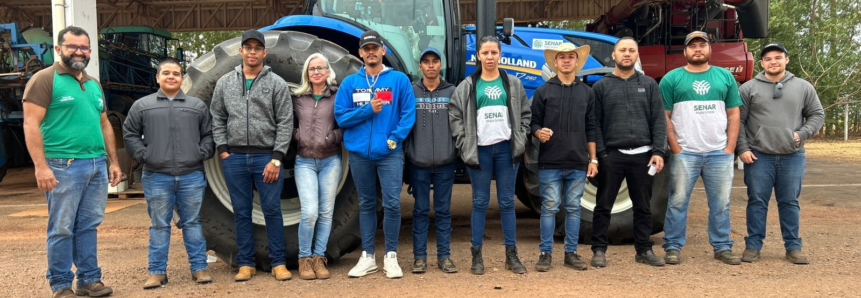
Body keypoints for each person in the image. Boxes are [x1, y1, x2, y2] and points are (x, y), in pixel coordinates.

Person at [22, 26, 121, 298]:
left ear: (90, 51)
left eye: (84, 47)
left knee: (88, 225)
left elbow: (104, 124)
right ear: (58, 49)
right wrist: (40, 166)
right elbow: (31, 124)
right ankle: (61, 285)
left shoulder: (92, 83)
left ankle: (89, 280)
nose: (79, 52)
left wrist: (113, 162)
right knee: (62, 227)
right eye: (72, 47)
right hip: (61, 165)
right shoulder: (44, 80)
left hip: (95, 165)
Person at [123, 58, 216, 289]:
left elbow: (209, 134)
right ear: (158, 77)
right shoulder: (142, 106)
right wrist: (145, 156)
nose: (171, 77)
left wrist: (201, 152)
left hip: (191, 174)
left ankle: (199, 268)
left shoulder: (196, 106)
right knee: (159, 225)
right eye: (166, 73)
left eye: (176, 73)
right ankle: (156, 272)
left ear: (182, 78)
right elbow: (130, 134)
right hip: (156, 176)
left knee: (193, 222)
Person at [210, 29, 293, 281]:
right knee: (241, 211)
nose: (253, 52)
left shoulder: (276, 83)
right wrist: (223, 150)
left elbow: (285, 122)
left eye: (258, 48)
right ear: (241, 51)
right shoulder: (225, 82)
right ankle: (246, 263)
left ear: (264, 52)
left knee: (271, 210)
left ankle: (278, 262)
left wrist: (277, 157)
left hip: (265, 158)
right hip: (234, 159)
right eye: (248, 47)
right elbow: (217, 117)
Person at [335, 30, 415, 279]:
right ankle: (367, 256)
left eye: (375, 48)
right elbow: (341, 117)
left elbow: (408, 113)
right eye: (366, 48)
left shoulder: (399, 80)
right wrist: (368, 110)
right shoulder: (350, 83)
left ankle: (391, 256)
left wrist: (395, 138)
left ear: (383, 51)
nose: (370, 52)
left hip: (389, 153)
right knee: (366, 204)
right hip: (360, 154)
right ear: (360, 53)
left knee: (391, 204)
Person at [450, 36, 532, 275]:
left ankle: (511, 255)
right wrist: (464, 142)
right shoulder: (468, 85)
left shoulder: (513, 83)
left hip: (506, 150)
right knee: (479, 202)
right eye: (485, 53)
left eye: (493, 53)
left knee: (507, 202)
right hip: (481, 151)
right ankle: (477, 256)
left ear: (499, 55)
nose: (489, 57)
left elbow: (525, 114)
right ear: (478, 56)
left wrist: (521, 136)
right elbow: (455, 115)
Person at [737, 42, 824, 264]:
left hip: (792, 155)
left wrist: (802, 134)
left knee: (789, 202)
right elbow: (738, 121)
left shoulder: (803, 87)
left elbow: (816, 115)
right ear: (762, 63)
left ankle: (793, 247)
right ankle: (753, 246)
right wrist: (743, 149)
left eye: (778, 57)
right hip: (758, 156)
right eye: (768, 59)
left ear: (786, 59)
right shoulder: (748, 88)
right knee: (756, 201)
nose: (773, 61)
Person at [660, 31, 743, 265]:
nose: (698, 49)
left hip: (719, 153)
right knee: (677, 201)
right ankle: (673, 246)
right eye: (692, 46)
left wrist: (730, 147)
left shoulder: (725, 77)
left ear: (710, 50)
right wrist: (675, 147)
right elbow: (664, 115)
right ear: (685, 51)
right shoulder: (671, 79)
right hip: (685, 152)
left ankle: (722, 247)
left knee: (720, 203)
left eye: (702, 45)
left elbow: (734, 113)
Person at [589, 37, 667, 267]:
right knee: (603, 204)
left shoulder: (650, 84)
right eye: (622, 50)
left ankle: (643, 250)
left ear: (637, 55)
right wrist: (602, 155)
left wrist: (658, 151)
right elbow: (594, 123)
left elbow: (658, 121)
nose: (626, 54)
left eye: (631, 50)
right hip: (612, 156)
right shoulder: (601, 86)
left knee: (643, 206)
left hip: (643, 157)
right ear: (613, 55)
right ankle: (599, 250)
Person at [530, 43, 598, 272]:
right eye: (562, 57)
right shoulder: (543, 91)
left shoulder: (588, 93)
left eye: (571, 57)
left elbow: (592, 127)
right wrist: (539, 133)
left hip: (578, 161)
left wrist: (594, 159)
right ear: (555, 62)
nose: (567, 60)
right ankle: (545, 253)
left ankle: (571, 253)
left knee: (574, 208)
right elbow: (534, 122)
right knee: (549, 207)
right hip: (550, 161)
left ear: (577, 61)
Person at [404, 47, 458, 274]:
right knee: (420, 210)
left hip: (446, 162)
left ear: (441, 65)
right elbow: (405, 124)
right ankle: (419, 258)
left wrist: (454, 151)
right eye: (426, 62)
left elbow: (460, 124)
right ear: (420, 66)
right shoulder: (412, 91)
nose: (431, 65)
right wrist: (410, 152)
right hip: (419, 163)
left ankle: (444, 257)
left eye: (435, 61)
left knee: (444, 211)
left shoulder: (452, 91)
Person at [292, 53, 343, 280]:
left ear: (327, 70)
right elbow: (284, 120)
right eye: (312, 69)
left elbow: (348, 122)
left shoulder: (337, 96)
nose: (316, 72)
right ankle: (304, 259)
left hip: (330, 160)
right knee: (310, 212)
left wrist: (332, 137)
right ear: (307, 73)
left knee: (325, 212)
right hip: (304, 161)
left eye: (320, 68)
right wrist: (298, 136)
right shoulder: (297, 97)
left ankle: (319, 258)